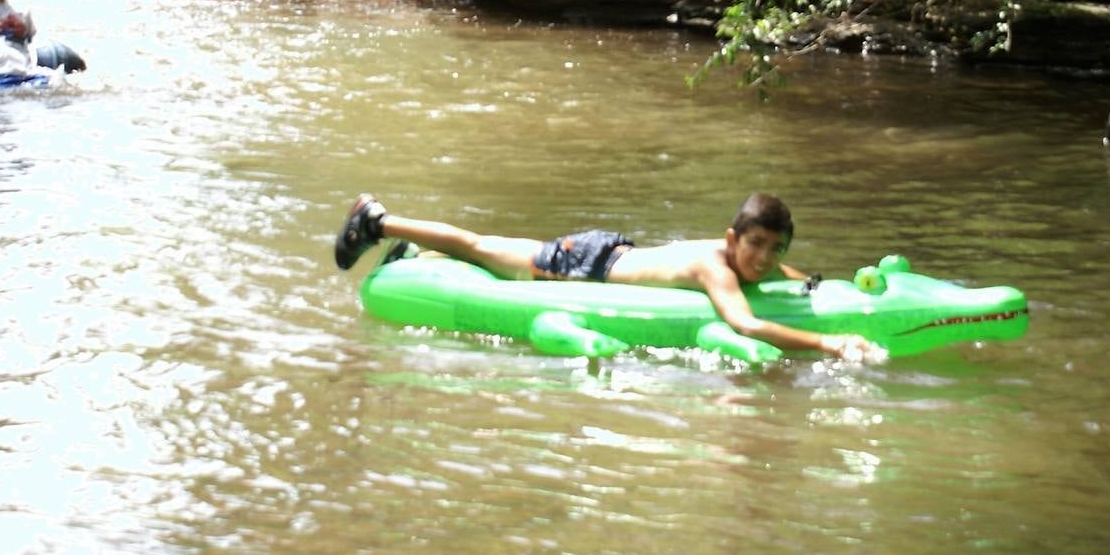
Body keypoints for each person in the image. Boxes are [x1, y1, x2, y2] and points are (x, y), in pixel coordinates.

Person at [334, 191, 887, 362]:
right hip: (589, 266)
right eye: (755, 246)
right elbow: (745, 325)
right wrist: (826, 341)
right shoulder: (714, 267)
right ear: (731, 240)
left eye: (775, 250)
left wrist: (814, 282)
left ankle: (409, 244)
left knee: (486, 249)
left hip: (613, 250)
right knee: (483, 248)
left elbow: (784, 275)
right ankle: (377, 221)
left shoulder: (753, 260)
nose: (763, 260)